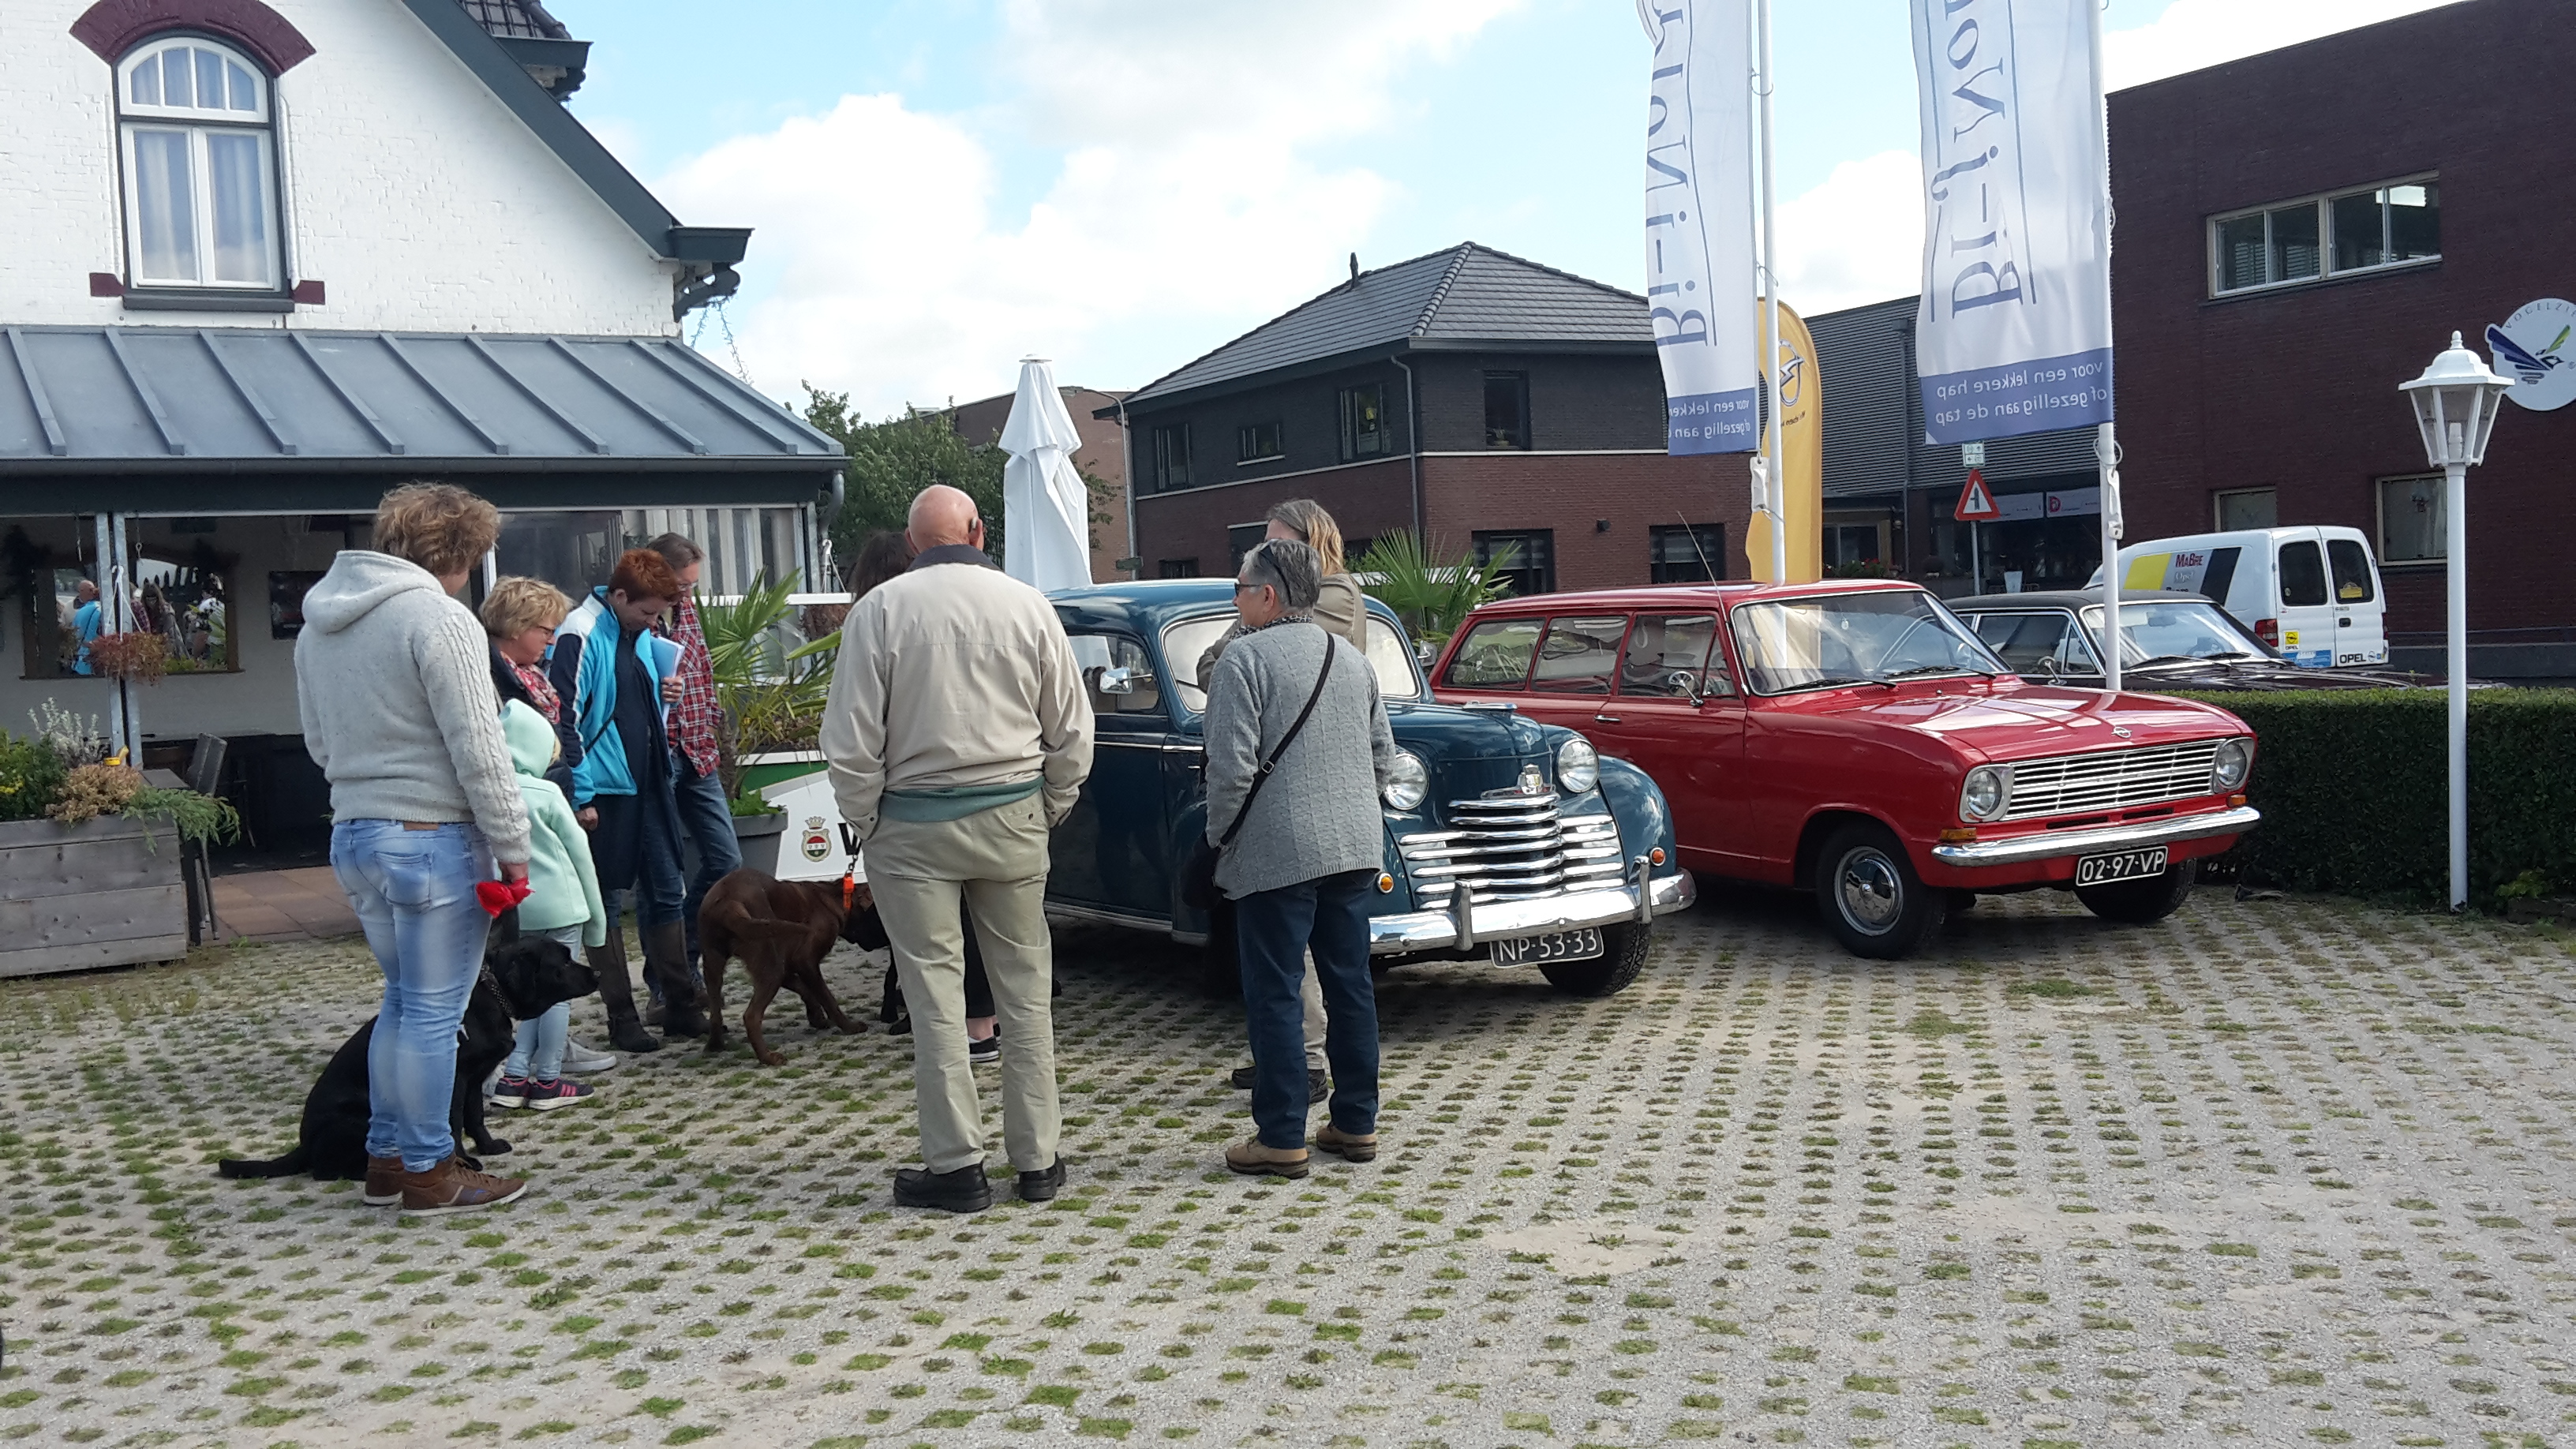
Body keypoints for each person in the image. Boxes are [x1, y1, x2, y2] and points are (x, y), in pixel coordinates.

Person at [820, 486, 1093, 1212]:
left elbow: (849, 740)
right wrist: (1050, 805)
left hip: (911, 824)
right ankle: (1038, 1160)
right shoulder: (1027, 605)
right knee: (1025, 991)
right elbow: (1073, 727)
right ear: (978, 532)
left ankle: (956, 1166)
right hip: (1013, 813)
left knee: (935, 997)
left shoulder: (879, 611)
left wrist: (869, 822)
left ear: (912, 544)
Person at [296, 481, 531, 1214]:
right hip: (432, 837)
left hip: (354, 830)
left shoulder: (317, 626)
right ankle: (431, 1169)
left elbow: (318, 742)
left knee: (403, 1004)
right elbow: (480, 747)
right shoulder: (440, 617)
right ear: (463, 553)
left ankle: (388, 1160)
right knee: (435, 1013)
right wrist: (514, 844)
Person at [1204, 539, 1394, 1179]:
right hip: (1354, 846)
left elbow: (1229, 769)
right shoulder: (1352, 659)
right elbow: (1383, 758)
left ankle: (1282, 1134)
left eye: (1238, 589)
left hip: (1275, 850)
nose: (1234, 600)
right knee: (1351, 985)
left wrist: (1220, 837)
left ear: (1267, 595)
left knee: (1277, 990)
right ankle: (1357, 1122)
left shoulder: (1242, 659)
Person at [844, 530, 1002, 1059]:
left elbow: (857, 730)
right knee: (976, 915)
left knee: (931, 925)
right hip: (988, 790)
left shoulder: (874, 621)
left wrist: (863, 813)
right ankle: (985, 1021)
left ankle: (957, 1023)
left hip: (909, 797)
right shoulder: (963, 611)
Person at [550, 549, 706, 1053]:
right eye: (647, 612)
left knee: (667, 888)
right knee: (608, 902)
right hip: (605, 789)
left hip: (649, 780)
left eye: (659, 613)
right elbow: (565, 716)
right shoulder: (580, 632)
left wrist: (665, 695)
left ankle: (680, 1004)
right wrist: (582, 793)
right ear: (619, 596)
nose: (653, 622)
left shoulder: (636, 632)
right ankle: (622, 1017)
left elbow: (630, 705)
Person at [481, 578, 618, 1080]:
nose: (551, 638)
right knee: (513, 951)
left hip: (544, 797)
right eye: (544, 628)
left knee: (539, 955)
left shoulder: (531, 673)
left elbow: (563, 734)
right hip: (514, 822)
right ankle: (514, 1059)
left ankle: (541, 1049)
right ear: (516, 626)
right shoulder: (488, 678)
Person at [489, 699, 609, 1110]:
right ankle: (548, 1079)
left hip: (516, 909)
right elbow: (581, 857)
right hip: (562, 906)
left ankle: (513, 1075)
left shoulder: (489, 792)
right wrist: (597, 921)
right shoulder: (547, 792)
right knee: (558, 994)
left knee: (529, 993)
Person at [643, 534, 741, 1013]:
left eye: (691, 586)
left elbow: (701, 672)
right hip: (658, 754)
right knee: (661, 877)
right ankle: (668, 982)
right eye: (682, 585)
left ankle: (682, 957)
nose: (687, 593)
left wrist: (712, 724)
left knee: (727, 860)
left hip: (697, 749)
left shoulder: (686, 613)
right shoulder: (635, 618)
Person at [69, 579, 102, 676]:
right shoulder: (101, 612)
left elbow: (73, 635)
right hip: (94, 663)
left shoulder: (81, 611)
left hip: (79, 662)